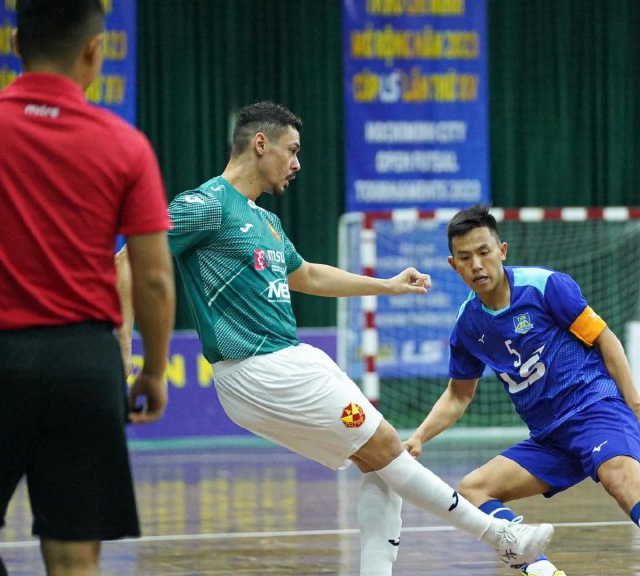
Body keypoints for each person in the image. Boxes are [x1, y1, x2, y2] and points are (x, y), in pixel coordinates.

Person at [162, 102, 553, 576]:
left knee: (381, 463)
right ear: (260, 144)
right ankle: (501, 537)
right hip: (263, 366)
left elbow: (308, 275)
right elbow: (133, 258)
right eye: (292, 150)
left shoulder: (267, 222)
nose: (297, 163)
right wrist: (122, 338)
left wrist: (386, 285)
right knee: (387, 445)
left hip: (273, 370)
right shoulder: (205, 204)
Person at [403, 205, 640, 576]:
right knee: (473, 489)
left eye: (484, 252)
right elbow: (458, 395)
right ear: (453, 265)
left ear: (502, 251)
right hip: (549, 439)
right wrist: (419, 437)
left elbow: (606, 339)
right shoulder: (467, 324)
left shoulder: (545, 286)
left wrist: (637, 407)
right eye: (465, 258)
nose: (477, 265)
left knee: (621, 481)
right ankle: (545, 571)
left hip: (595, 409)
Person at [0, 0, 176, 574]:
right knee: (75, 556)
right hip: (83, 365)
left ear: (16, 45)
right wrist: (153, 370)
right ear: (94, 50)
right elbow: (152, 276)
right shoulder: (125, 144)